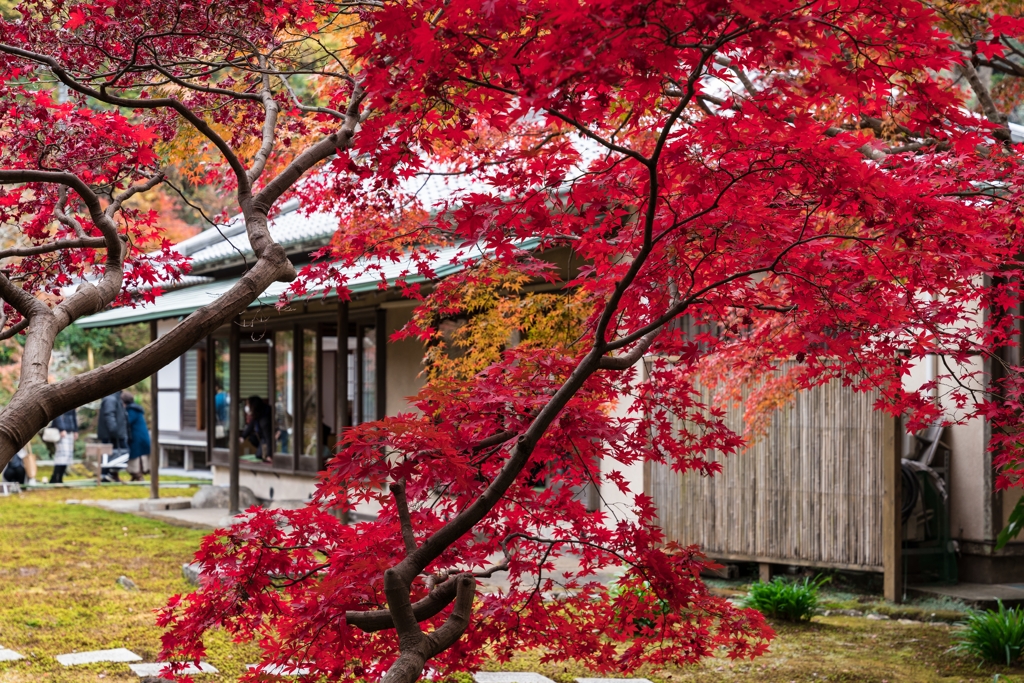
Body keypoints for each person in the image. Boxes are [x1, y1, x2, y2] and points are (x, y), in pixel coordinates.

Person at [97, 391, 128, 482]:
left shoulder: (115, 398)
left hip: (115, 434)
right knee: (110, 455)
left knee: (116, 456)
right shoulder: (111, 398)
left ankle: (111, 475)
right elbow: (109, 415)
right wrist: (114, 431)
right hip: (112, 435)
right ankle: (105, 476)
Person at [123, 392, 151, 482]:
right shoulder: (135, 408)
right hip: (141, 438)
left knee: (134, 457)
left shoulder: (131, 411)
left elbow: (127, 423)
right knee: (136, 457)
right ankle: (136, 476)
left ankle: (138, 476)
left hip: (137, 439)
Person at [240, 395, 272, 463]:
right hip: (263, 438)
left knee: (259, 455)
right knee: (252, 438)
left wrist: (269, 455)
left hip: (268, 439)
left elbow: (269, 438)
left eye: (248, 405)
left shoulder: (264, 420)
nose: (246, 407)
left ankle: (266, 453)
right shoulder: (258, 414)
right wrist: (243, 436)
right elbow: (251, 425)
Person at [50, 408, 78, 484]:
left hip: (70, 431)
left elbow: (73, 416)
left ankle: (60, 478)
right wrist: (61, 429)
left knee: (68, 456)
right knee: (61, 455)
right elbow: (57, 415)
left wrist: (75, 430)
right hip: (61, 432)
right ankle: (55, 477)